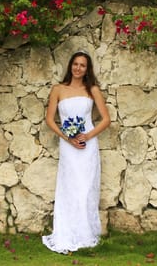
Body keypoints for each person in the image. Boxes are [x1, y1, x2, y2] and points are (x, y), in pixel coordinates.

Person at [42, 50, 111, 254]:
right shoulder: (58, 89)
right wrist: (67, 137)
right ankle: (67, 232)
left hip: (87, 146)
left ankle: (86, 233)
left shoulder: (93, 90)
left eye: (82, 65)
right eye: (75, 64)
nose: (78, 68)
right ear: (70, 66)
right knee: (70, 188)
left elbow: (106, 120)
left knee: (86, 189)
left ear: (87, 69)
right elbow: (49, 119)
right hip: (68, 146)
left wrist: (87, 136)